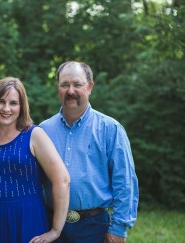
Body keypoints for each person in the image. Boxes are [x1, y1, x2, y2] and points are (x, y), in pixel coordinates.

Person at [40, 61, 139, 243]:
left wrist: (119, 228)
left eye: (77, 84)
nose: (71, 91)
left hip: (94, 228)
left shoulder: (111, 129)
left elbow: (125, 182)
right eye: (65, 85)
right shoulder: (43, 131)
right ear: (58, 88)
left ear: (90, 87)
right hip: (50, 224)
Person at [0, 77, 70, 243]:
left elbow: (62, 179)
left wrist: (56, 230)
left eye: (13, 103)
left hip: (29, 218)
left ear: (21, 107)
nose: (6, 108)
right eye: (1, 102)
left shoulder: (34, 135)